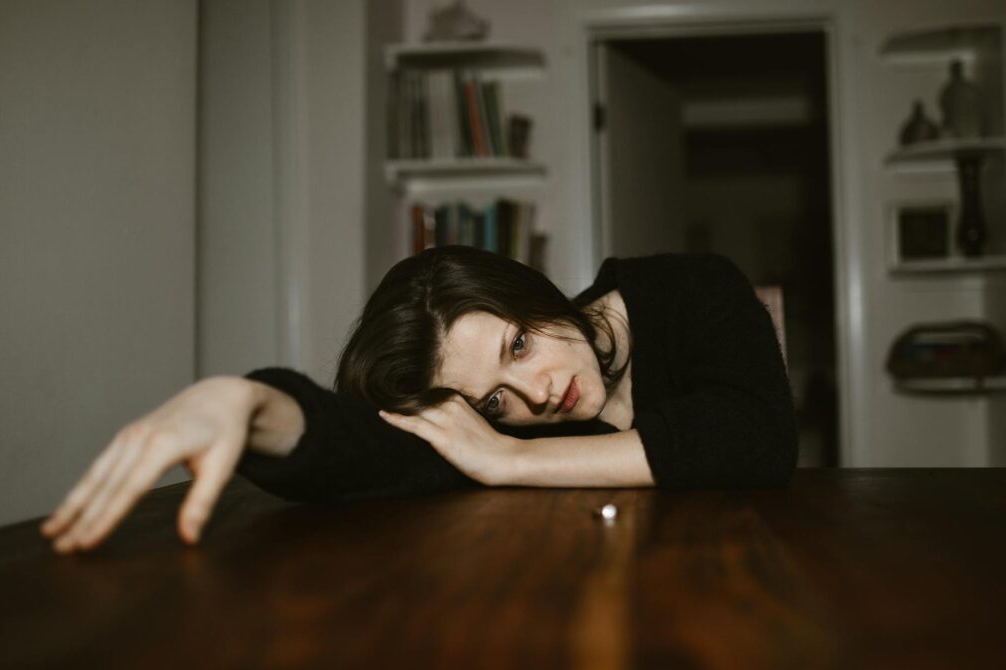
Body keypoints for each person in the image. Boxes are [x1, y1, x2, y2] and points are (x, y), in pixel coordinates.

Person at [41, 246, 797, 553]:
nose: (537, 394)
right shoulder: (500, 420)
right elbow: (369, 445)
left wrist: (509, 462)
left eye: (518, 345)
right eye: (493, 403)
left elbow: (757, 436)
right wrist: (248, 402)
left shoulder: (688, 286)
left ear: (529, 290)